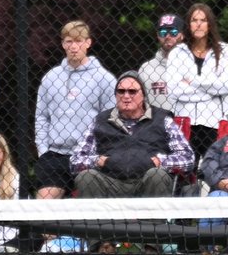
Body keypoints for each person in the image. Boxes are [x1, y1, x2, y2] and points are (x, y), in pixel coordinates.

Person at [70, 70, 194, 198]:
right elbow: (75, 160)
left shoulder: (163, 120)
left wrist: (158, 161)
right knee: (86, 177)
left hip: (147, 183)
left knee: (157, 175)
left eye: (132, 91)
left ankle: (151, 219)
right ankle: (101, 218)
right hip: (110, 183)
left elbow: (187, 158)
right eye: (121, 91)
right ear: (115, 95)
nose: (126, 96)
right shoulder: (100, 120)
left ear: (143, 95)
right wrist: (100, 161)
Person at [33, 21, 115, 199]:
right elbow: (41, 116)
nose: (74, 47)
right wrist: (43, 149)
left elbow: (111, 119)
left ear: (88, 43)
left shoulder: (104, 79)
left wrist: (101, 152)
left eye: (78, 41)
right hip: (55, 154)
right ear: (63, 44)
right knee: (43, 205)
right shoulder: (51, 78)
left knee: (87, 209)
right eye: (69, 41)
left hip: (89, 155)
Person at [165, 3, 228, 160]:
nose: (198, 24)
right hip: (185, 122)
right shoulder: (177, 53)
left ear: (210, 24)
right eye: (194, 20)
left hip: (215, 123)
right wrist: (211, 90)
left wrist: (192, 81)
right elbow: (174, 90)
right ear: (188, 24)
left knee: (213, 171)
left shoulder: (226, 52)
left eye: (203, 20)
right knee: (185, 175)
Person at [197, 95, 228, 255]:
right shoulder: (224, 142)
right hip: (226, 189)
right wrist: (221, 182)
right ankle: (207, 252)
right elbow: (208, 163)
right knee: (215, 199)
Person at [139, 12, 183, 113]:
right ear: (158, 36)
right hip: (156, 126)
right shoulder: (146, 69)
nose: (167, 36)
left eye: (173, 32)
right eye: (163, 32)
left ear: (182, 35)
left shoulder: (192, 66)